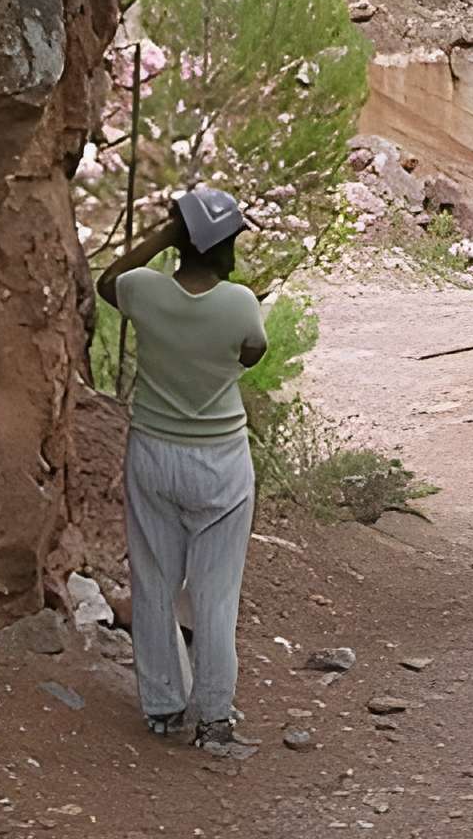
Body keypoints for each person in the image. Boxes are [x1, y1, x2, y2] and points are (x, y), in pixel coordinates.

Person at [101, 188, 270, 757]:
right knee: (216, 595)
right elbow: (251, 354)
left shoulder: (144, 292)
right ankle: (215, 719)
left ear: (182, 240)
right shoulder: (240, 304)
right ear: (222, 248)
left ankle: (163, 706)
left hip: (152, 451)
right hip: (220, 461)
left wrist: (162, 235)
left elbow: (108, 282)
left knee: (154, 582)